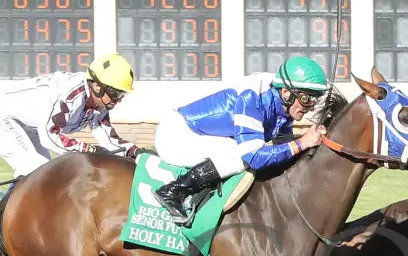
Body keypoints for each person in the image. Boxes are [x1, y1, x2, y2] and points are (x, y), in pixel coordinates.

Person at [152, 56, 329, 227]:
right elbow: (254, 157)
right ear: (286, 93)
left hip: (202, 136)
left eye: (315, 99)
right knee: (240, 157)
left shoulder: (283, 106)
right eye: (306, 99)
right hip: (176, 136)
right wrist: (302, 143)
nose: (310, 107)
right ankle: (173, 191)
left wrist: (311, 143)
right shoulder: (250, 99)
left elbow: (285, 148)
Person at [0, 52, 143, 180]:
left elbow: (108, 139)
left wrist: (134, 151)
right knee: (36, 173)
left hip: (32, 126)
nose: (117, 100)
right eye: (115, 94)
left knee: (48, 173)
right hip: (5, 117)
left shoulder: (100, 105)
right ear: (96, 85)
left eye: (121, 95)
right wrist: (88, 149)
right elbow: (50, 136)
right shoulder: (70, 94)